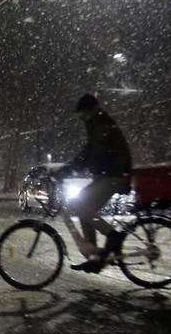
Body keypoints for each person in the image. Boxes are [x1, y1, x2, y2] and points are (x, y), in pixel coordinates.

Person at [54, 93, 132, 274]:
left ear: (89, 110)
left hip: (115, 176)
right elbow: (90, 151)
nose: (81, 117)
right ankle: (94, 257)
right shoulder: (96, 123)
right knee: (83, 207)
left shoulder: (100, 124)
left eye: (82, 113)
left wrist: (70, 168)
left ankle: (114, 236)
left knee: (80, 207)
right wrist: (72, 167)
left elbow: (93, 152)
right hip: (108, 175)